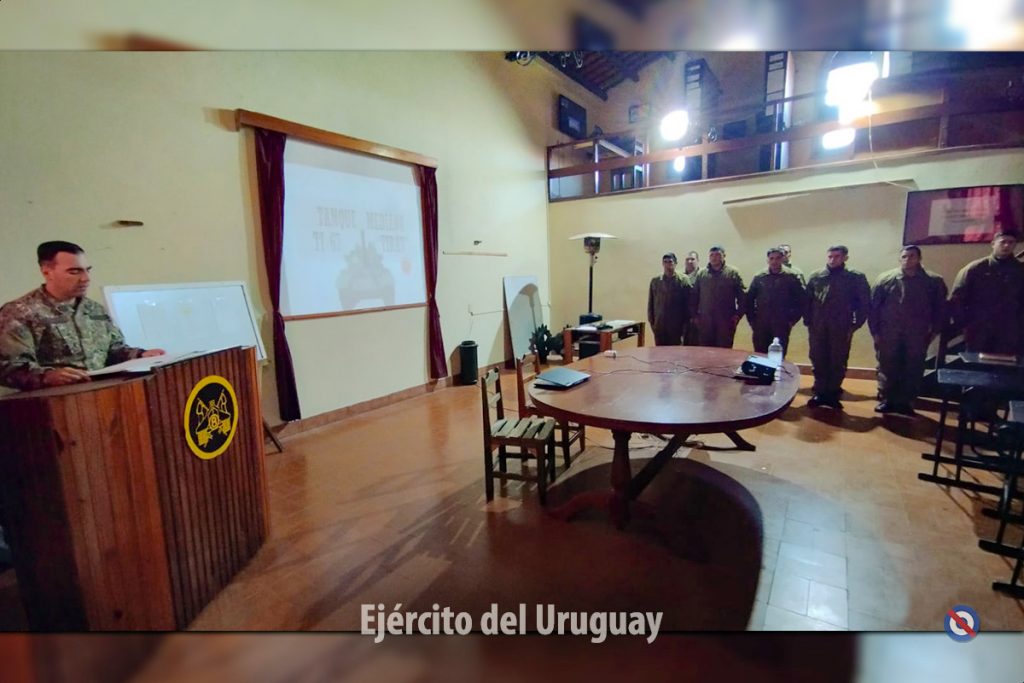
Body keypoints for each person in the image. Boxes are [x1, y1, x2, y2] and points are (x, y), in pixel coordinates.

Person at [0, 241, 166, 390]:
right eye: (74, 272)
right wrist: (47, 376)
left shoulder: (94, 309)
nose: (85, 278)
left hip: (104, 393)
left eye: (87, 270)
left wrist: (140, 355)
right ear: (47, 272)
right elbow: (7, 367)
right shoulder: (20, 312)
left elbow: (113, 350)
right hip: (54, 402)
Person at [868, 245, 948, 416]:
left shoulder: (933, 281)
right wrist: (875, 331)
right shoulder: (885, 279)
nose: (907, 259)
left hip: (917, 333)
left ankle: (906, 402)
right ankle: (887, 399)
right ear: (899, 259)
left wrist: (934, 331)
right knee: (887, 365)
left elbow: (940, 308)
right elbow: (874, 307)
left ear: (919, 258)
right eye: (904, 256)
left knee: (913, 366)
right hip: (889, 332)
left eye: (912, 256)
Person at [804, 245, 871, 410]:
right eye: (830, 256)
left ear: (845, 258)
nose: (833, 260)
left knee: (838, 359)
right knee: (818, 358)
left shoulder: (855, 277)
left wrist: (855, 325)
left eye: (837, 256)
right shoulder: (816, 276)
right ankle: (820, 392)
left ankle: (832, 393)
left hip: (841, 326)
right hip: (818, 325)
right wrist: (808, 321)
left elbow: (864, 303)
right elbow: (807, 300)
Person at [948, 231, 1024, 355]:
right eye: (1003, 242)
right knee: (977, 365)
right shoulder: (975, 269)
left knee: (1006, 366)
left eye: (1011, 242)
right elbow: (957, 300)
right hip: (978, 331)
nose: (1006, 246)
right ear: (993, 244)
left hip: (1010, 333)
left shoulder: (1020, 271)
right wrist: (964, 325)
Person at [746, 247, 805, 355]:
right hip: (761, 324)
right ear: (767, 260)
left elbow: (801, 300)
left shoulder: (791, 277)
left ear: (782, 259)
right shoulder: (759, 277)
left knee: (778, 356)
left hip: (782, 324)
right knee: (760, 355)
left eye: (777, 258)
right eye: (771, 258)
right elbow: (749, 300)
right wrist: (752, 321)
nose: (774, 261)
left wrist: (792, 320)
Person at [691, 246, 746, 348]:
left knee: (724, 352)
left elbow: (742, 296)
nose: (714, 258)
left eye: (717, 255)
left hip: (726, 322)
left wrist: (738, 315)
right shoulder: (701, 274)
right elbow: (694, 296)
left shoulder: (732, 273)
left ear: (724, 256)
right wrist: (694, 316)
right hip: (705, 322)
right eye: (711, 255)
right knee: (705, 351)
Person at [647, 252, 692, 346]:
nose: (668, 264)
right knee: (660, 353)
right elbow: (651, 303)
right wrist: (652, 323)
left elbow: (689, 305)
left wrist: (686, 327)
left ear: (675, 263)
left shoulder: (684, 280)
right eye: (665, 262)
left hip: (677, 327)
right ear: (662, 264)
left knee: (676, 353)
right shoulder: (656, 281)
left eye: (670, 262)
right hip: (660, 327)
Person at [682, 251, 701, 345]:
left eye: (692, 259)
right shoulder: (680, 276)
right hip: (682, 318)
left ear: (698, 261)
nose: (690, 261)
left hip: (698, 318)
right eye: (687, 259)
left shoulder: (703, 276)